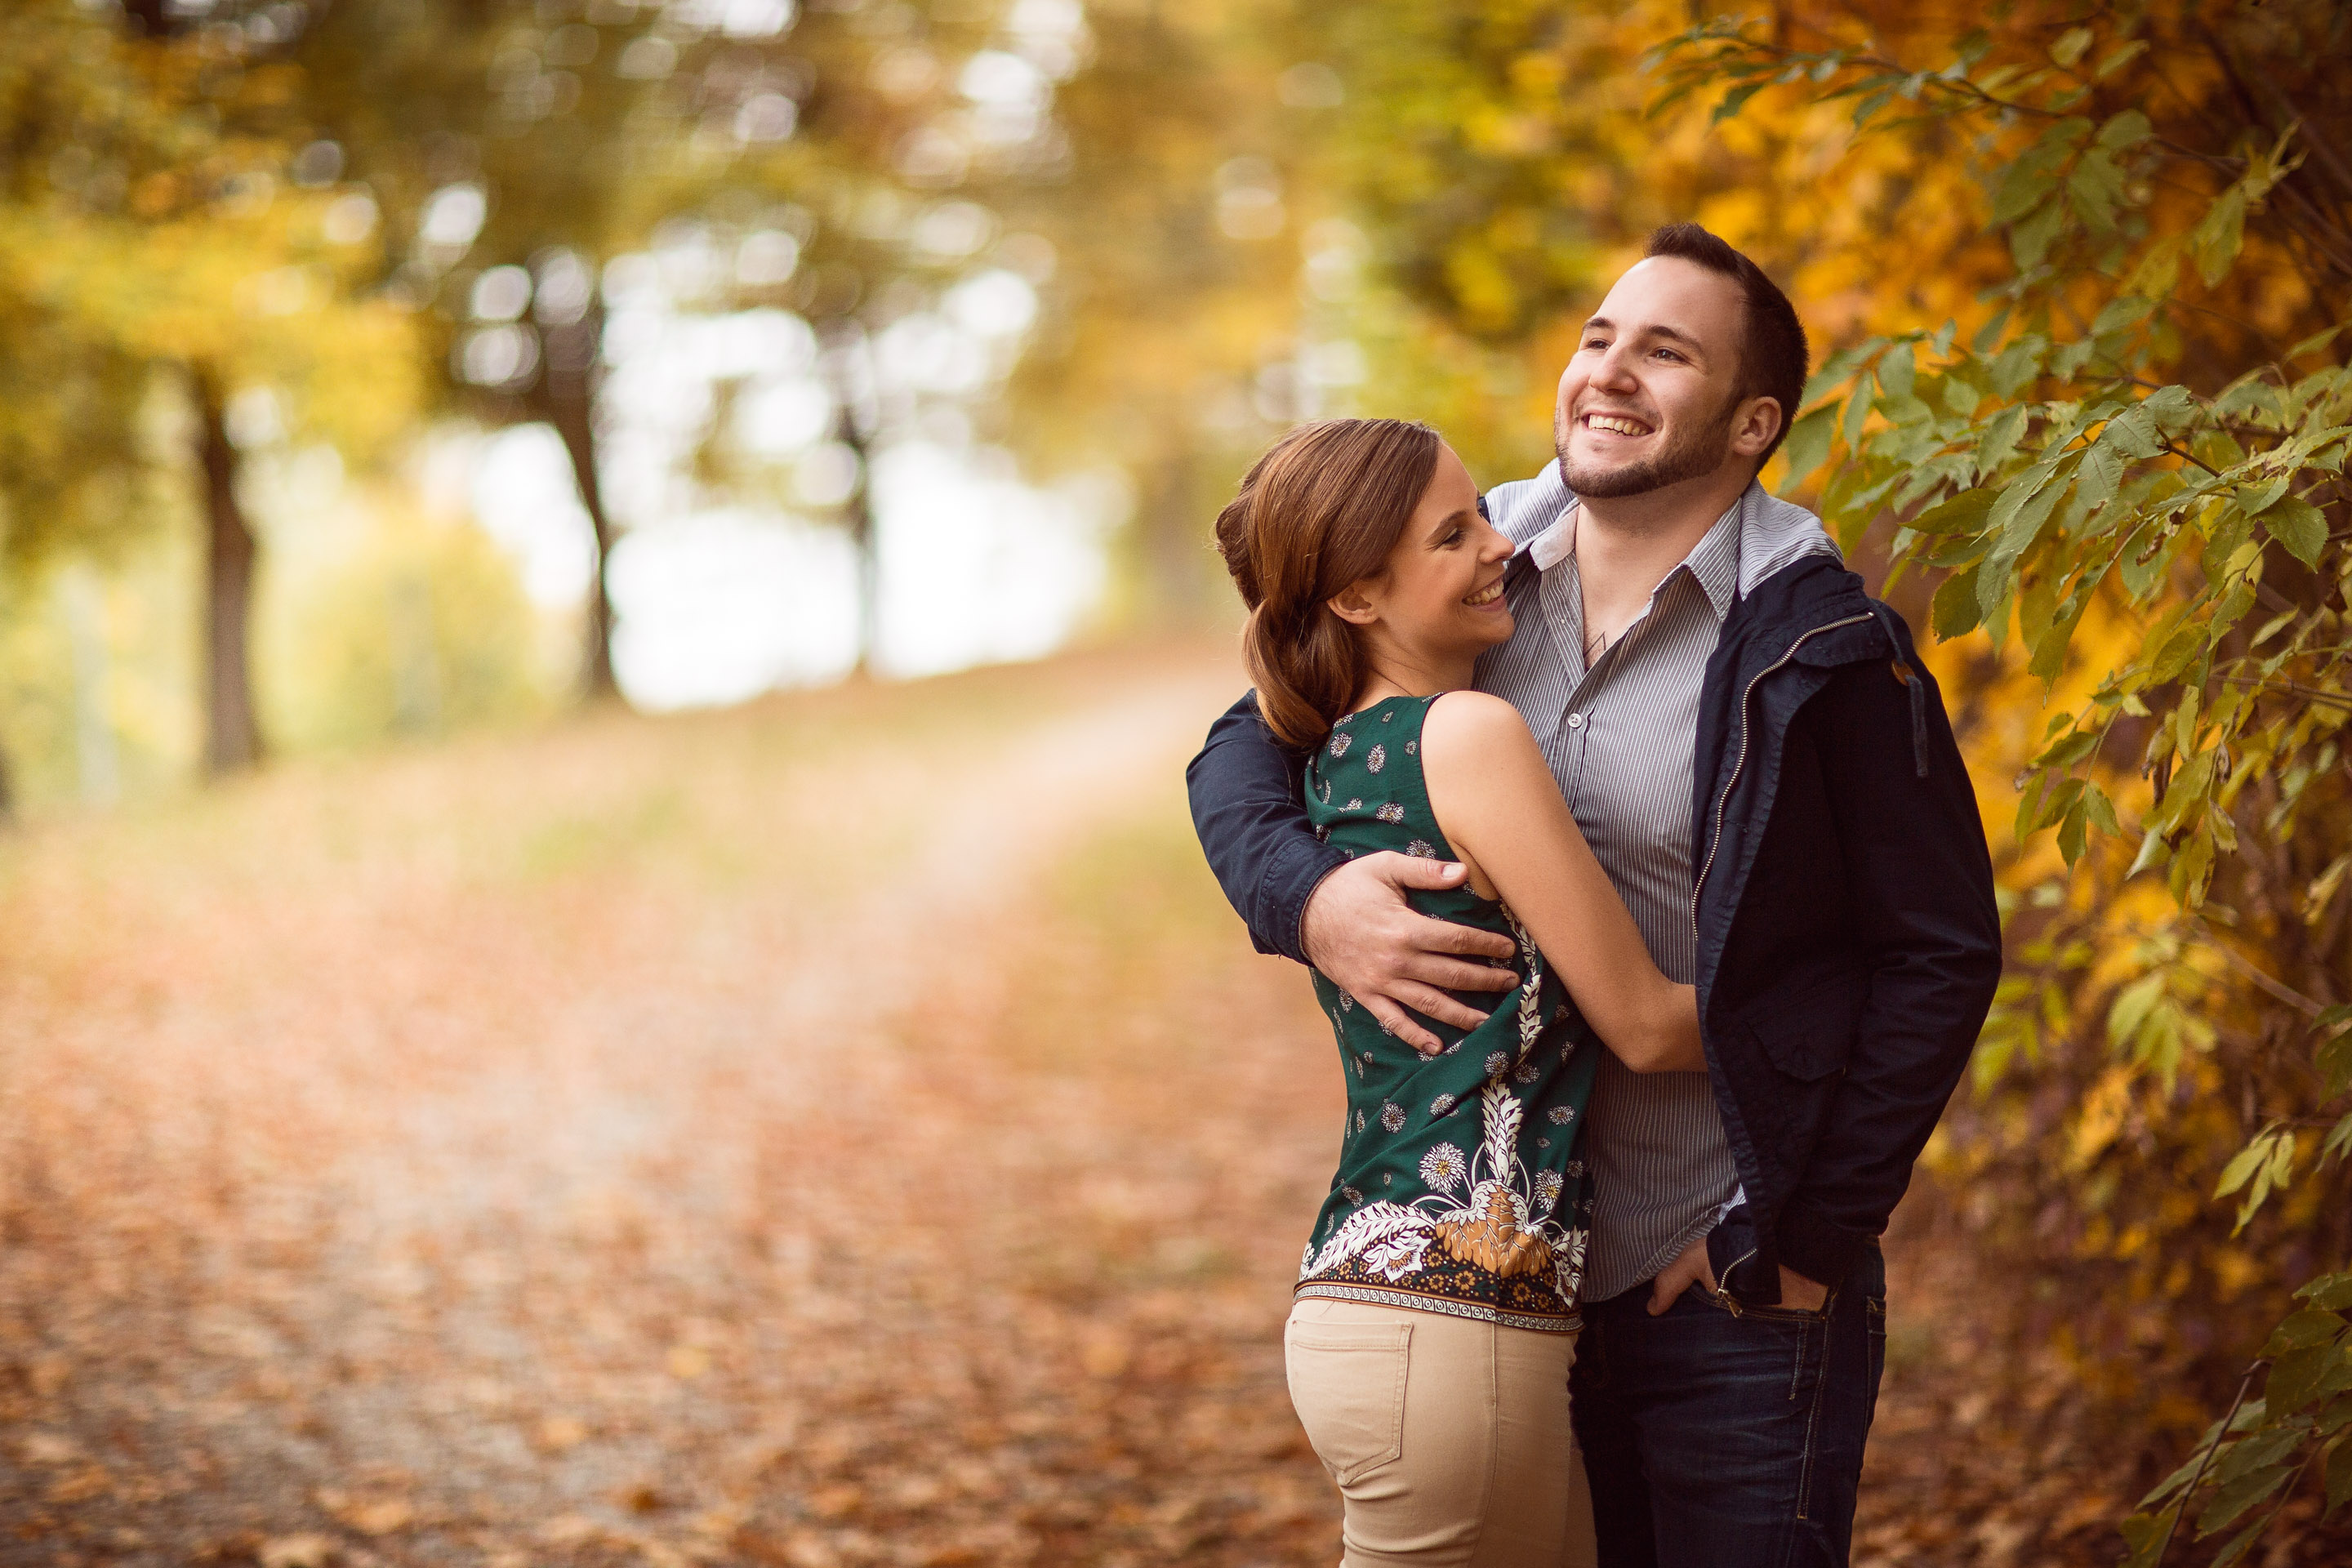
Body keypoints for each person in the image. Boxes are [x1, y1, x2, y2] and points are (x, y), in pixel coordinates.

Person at [1187, 225, 2002, 1567]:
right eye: (1598, 337)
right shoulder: (1464, 564)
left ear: (1753, 422)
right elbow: (1243, 747)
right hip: (1505, 1289)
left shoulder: (1824, 649)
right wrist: (1311, 901)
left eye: (1664, 352)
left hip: (1724, 1291)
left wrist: (1802, 1237)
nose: (1609, 374)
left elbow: (1938, 954)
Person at [1212, 415, 1712, 1566]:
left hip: (1407, 1317)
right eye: (1455, 534)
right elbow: (1642, 1022)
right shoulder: (1470, 736)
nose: (1506, 547)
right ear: (1357, 598)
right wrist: (1855, 1001)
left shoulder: (1341, 755)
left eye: (1484, 508)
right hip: (1446, 1334)